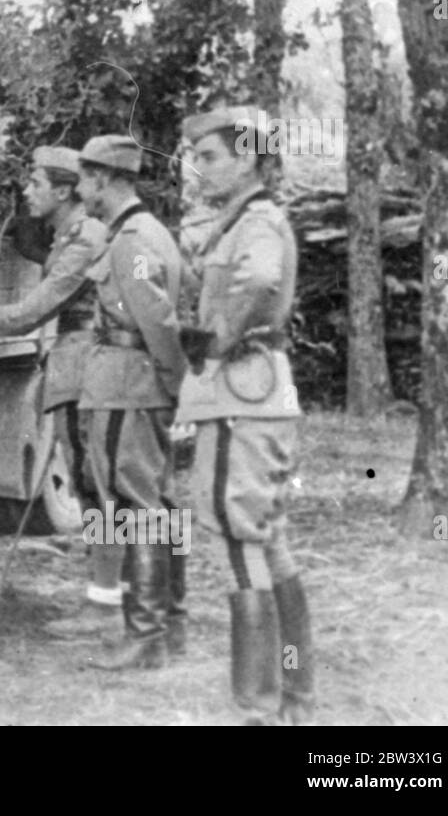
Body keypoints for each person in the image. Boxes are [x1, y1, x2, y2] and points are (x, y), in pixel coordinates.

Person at [176, 105, 311, 724]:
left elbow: (258, 282)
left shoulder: (255, 220)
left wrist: (220, 339)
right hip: (258, 393)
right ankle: (294, 698)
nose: (197, 168)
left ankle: (258, 707)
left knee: (236, 538)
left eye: (209, 156)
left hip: (241, 396)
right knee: (268, 540)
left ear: (248, 156)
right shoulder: (238, 220)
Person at [0, 145, 118, 636]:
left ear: (63, 190)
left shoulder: (84, 242)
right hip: (79, 365)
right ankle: (111, 596)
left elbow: (36, 310)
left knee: (97, 489)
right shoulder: (70, 235)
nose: (26, 191)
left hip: (89, 367)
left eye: (34, 184)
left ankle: (107, 603)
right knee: (92, 488)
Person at [74, 135, 188, 671]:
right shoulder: (147, 232)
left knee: (137, 508)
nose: (79, 190)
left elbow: (157, 320)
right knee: (157, 505)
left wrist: (173, 381)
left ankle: (146, 635)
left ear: (103, 179)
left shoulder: (132, 240)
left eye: (83, 179)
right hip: (137, 384)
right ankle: (169, 624)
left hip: (129, 387)